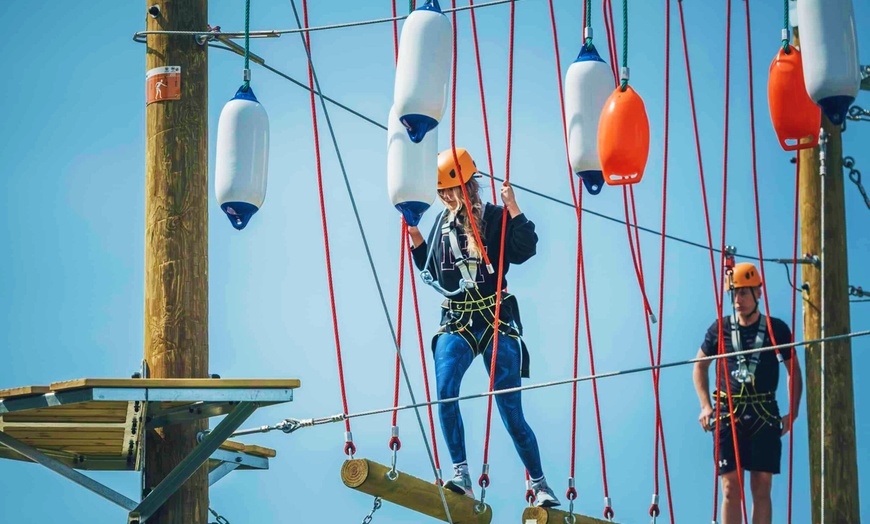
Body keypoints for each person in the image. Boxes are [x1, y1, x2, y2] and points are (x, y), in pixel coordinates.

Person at [408, 148, 560, 507]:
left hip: (495, 320)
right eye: (441, 192)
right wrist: (415, 234)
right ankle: (461, 474)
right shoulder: (442, 224)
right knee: (444, 391)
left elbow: (526, 249)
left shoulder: (494, 217)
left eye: (451, 190)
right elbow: (436, 272)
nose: (445, 198)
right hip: (458, 320)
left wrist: (514, 207)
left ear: (468, 187)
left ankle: (539, 485)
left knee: (510, 407)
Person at [692, 262, 803, 524]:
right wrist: (705, 406)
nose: (738, 300)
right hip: (728, 413)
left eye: (743, 293)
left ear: (758, 294)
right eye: (734, 294)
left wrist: (793, 414)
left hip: (764, 412)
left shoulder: (776, 329)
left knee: (762, 486)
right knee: (731, 488)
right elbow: (700, 367)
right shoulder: (719, 329)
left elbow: (793, 371)